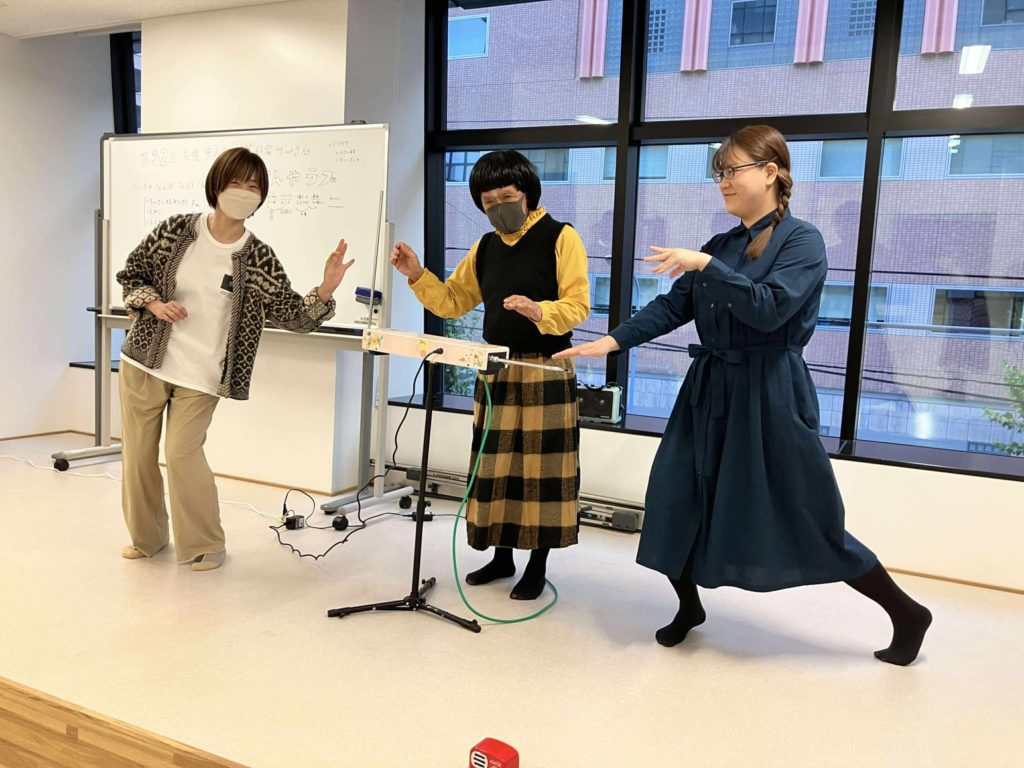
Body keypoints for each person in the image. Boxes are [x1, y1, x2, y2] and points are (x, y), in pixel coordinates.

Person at [555, 126, 932, 665]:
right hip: (709, 388)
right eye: (719, 173)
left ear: (771, 171)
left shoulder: (802, 241)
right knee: (677, 497)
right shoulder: (722, 244)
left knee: (808, 513)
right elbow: (674, 306)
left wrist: (708, 266)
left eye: (732, 171)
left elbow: (768, 309)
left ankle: (908, 613)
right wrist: (611, 342)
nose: (723, 182)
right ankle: (689, 607)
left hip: (770, 392)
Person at [116, 147, 353, 571]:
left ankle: (206, 544)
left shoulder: (257, 256)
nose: (244, 192)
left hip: (203, 374)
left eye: (253, 186)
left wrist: (325, 289)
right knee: (137, 456)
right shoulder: (176, 229)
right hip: (144, 362)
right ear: (217, 186)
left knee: (182, 453)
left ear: (261, 197)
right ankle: (147, 538)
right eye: (235, 182)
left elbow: (294, 316)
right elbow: (132, 273)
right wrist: (153, 303)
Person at [390, 150, 589, 600]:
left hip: (546, 368)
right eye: (488, 200)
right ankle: (502, 557)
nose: (499, 206)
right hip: (495, 369)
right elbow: (452, 302)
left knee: (542, 471)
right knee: (495, 467)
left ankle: (537, 565)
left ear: (527, 193)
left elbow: (578, 305)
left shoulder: (562, 237)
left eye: (507, 196)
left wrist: (539, 311)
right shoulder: (485, 247)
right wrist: (417, 274)